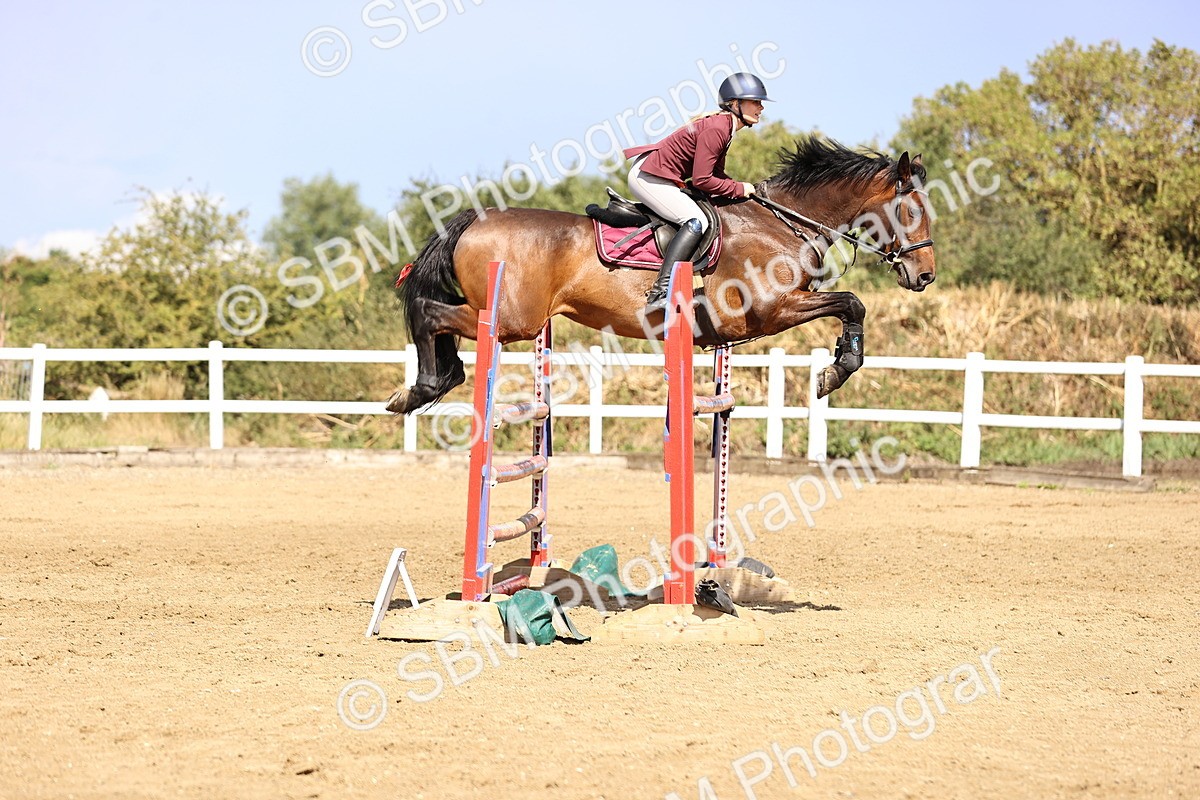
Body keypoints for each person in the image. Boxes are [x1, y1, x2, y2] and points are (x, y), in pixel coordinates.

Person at [623, 72, 772, 313]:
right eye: (755, 101)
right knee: (696, 221)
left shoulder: (725, 128)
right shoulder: (717, 128)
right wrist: (739, 188)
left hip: (660, 175)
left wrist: (744, 190)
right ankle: (660, 291)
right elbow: (703, 180)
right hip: (648, 178)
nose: (761, 107)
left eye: (760, 102)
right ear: (735, 104)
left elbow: (717, 175)